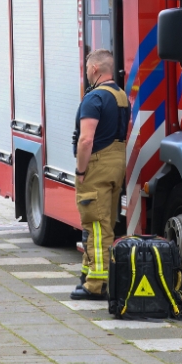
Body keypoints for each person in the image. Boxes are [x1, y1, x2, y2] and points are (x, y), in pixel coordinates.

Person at [70, 49, 130, 300]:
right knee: (105, 221)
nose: (86, 73)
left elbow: (86, 140)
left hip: (97, 164)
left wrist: (81, 170)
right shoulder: (121, 95)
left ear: (95, 69)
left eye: (86, 69)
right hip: (117, 162)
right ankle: (88, 274)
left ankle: (97, 284)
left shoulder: (94, 99)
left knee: (95, 224)